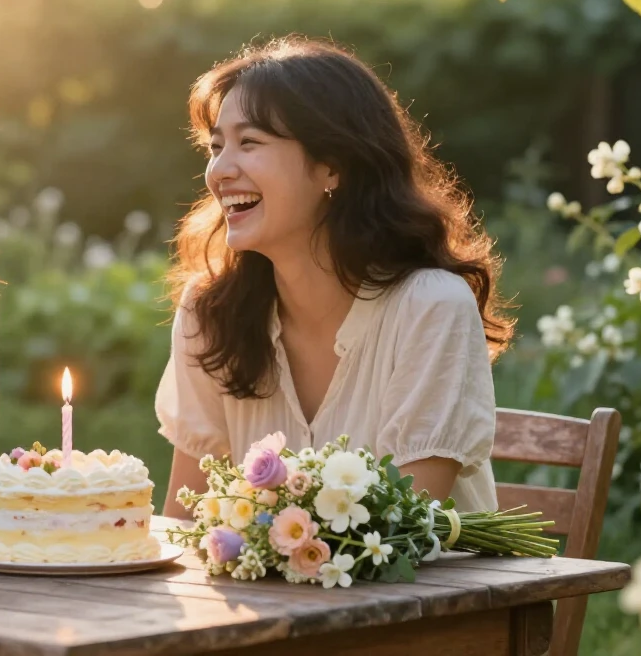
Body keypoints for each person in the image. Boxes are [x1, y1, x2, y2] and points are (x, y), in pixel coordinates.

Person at [157, 37, 513, 519]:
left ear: (332, 166)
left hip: (428, 594)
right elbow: (187, 521)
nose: (219, 171)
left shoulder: (431, 307)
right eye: (216, 146)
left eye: (250, 143)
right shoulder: (210, 312)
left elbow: (400, 531)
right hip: (267, 594)